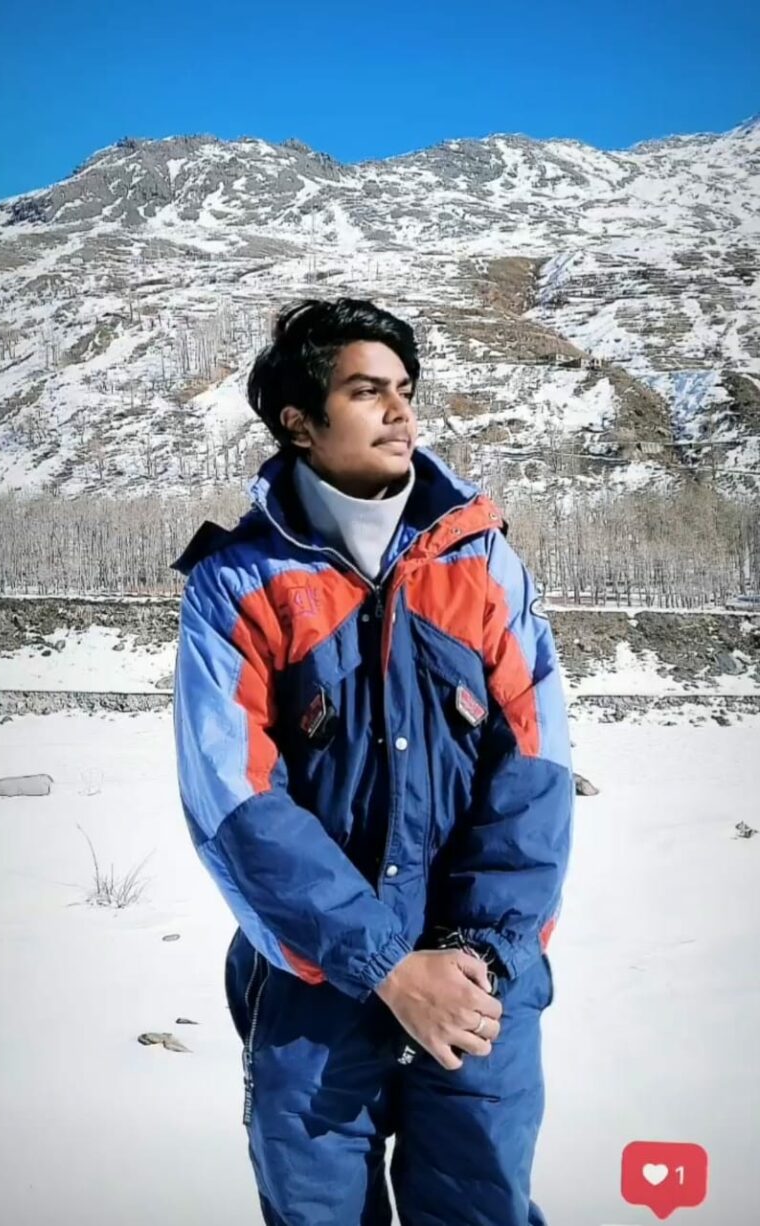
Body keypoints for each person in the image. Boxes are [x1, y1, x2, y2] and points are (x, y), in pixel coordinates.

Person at [172, 298, 573, 1225]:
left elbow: (536, 772)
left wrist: (475, 953)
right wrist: (386, 965)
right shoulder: (238, 585)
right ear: (299, 421)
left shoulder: (483, 566)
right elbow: (237, 804)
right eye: (366, 391)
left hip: (479, 983)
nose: (401, 412)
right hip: (314, 987)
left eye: (405, 389)